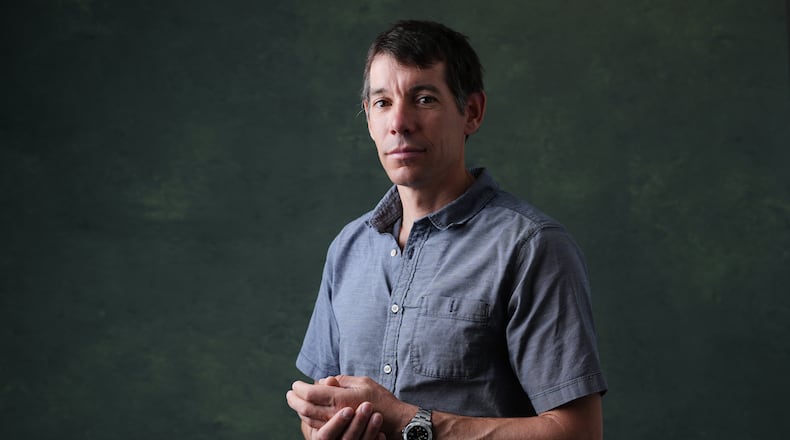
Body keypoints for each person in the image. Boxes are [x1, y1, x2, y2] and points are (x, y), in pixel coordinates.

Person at [286, 20, 607, 440]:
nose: (399, 122)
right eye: (383, 103)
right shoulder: (349, 248)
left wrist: (407, 421)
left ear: (471, 112)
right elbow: (317, 418)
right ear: (368, 118)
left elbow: (578, 433)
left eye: (423, 98)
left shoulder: (530, 248)